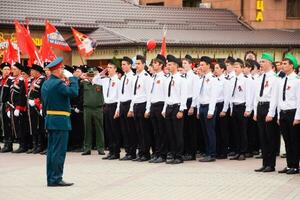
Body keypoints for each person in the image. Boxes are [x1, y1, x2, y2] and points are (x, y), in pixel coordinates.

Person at [41, 57, 78, 187]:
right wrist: (73, 78)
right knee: (59, 151)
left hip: (51, 120)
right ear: (56, 70)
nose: (63, 71)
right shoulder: (57, 83)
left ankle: (51, 178)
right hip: (60, 121)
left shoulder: (46, 83)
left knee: (51, 151)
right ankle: (56, 178)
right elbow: (73, 92)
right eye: (62, 68)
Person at [253, 53, 279, 173]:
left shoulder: (274, 78)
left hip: (269, 107)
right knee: (262, 137)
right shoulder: (259, 77)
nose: (261, 64)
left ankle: (271, 164)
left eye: (263, 62)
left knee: (270, 137)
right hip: (260, 107)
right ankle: (265, 163)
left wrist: (271, 113)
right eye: (260, 62)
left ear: (269, 63)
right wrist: (255, 111)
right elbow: (256, 96)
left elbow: (274, 97)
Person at [276, 54, 300, 174]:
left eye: (285, 64)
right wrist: (279, 116)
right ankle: (289, 164)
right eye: (282, 63)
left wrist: (298, 117)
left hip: (293, 113)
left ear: (292, 66)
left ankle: (296, 165)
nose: (283, 66)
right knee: (287, 141)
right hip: (284, 113)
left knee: (295, 141)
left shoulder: (297, 81)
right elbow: (280, 100)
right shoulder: (281, 80)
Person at [162, 54, 187, 164]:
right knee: (170, 133)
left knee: (177, 133)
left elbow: (183, 95)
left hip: (177, 107)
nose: (168, 66)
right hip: (169, 108)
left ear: (176, 65)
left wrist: (181, 110)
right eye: (167, 64)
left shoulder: (181, 79)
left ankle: (179, 156)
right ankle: (172, 153)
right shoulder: (167, 79)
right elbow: (166, 96)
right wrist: (164, 109)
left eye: (170, 64)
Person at [95, 61, 121, 160]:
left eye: (111, 67)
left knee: (115, 130)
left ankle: (116, 152)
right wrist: (101, 73)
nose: (109, 69)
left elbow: (119, 97)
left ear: (115, 69)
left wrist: (118, 109)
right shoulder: (105, 80)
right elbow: (94, 80)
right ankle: (111, 151)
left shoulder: (118, 81)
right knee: (108, 130)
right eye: (108, 67)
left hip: (114, 106)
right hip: (106, 106)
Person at [129, 55, 153, 161]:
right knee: (138, 131)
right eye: (136, 64)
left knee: (145, 131)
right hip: (136, 106)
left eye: (139, 64)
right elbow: (133, 95)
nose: (137, 66)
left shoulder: (146, 77)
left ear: (144, 64)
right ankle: (141, 152)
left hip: (143, 105)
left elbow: (149, 95)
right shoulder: (135, 77)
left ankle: (146, 153)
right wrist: (131, 108)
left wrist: (148, 109)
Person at [229, 58, 253, 161]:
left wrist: (248, 109)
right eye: (234, 67)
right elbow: (230, 95)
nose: (235, 69)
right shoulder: (233, 79)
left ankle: (243, 152)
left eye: (237, 67)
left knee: (243, 131)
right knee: (235, 131)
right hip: (234, 106)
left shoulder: (246, 80)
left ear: (242, 68)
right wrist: (230, 109)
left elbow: (249, 95)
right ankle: (237, 151)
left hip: (242, 106)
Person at [115, 56, 138, 161]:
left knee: (131, 130)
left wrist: (131, 108)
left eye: (125, 64)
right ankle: (128, 151)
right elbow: (120, 95)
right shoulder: (122, 77)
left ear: (130, 65)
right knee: (124, 130)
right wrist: (118, 109)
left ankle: (132, 152)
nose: (123, 66)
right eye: (122, 64)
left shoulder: (133, 77)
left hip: (129, 104)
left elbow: (134, 94)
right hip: (123, 104)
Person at [197, 56, 219, 162]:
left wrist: (210, 111)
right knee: (204, 132)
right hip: (202, 107)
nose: (200, 67)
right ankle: (207, 152)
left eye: (202, 65)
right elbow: (199, 95)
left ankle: (212, 154)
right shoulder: (203, 78)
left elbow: (213, 96)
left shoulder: (212, 79)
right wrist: (198, 109)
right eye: (200, 65)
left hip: (208, 108)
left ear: (208, 66)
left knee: (210, 132)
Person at [81, 67, 105, 156]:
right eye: (89, 75)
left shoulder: (100, 83)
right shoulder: (84, 83)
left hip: (98, 108)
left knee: (99, 128)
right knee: (87, 129)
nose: (91, 77)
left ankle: (101, 148)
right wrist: (82, 77)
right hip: (87, 108)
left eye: (93, 75)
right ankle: (87, 148)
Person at [182, 55, 198, 161]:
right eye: (183, 63)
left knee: (191, 130)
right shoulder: (183, 76)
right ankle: (186, 151)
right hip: (184, 102)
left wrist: (192, 106)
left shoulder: (194, 76)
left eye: (185, 63)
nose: (184, 65)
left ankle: (192, 153)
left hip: (191, 102)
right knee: (185, 129)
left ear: (191, 64)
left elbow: (196, 93)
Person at [27, 64, 46, 154]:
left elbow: (42, 94)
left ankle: (40, 145)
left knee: (39, 126)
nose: (30, 72)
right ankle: (35, 145)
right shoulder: (33, 80)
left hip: (37, 106)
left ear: (37, 72)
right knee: (34, 126)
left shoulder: (42, 80)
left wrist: (38, 103)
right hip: (31, 106)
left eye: (32, 71)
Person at [0, 62, 13, 153]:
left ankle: (8, 144)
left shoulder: (11, 80)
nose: (7, 71)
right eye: (5, 69)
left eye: (8, 69)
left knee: (7, 125)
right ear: (1, 70)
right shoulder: (0, 79)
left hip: (6, 105)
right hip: (0, 105)